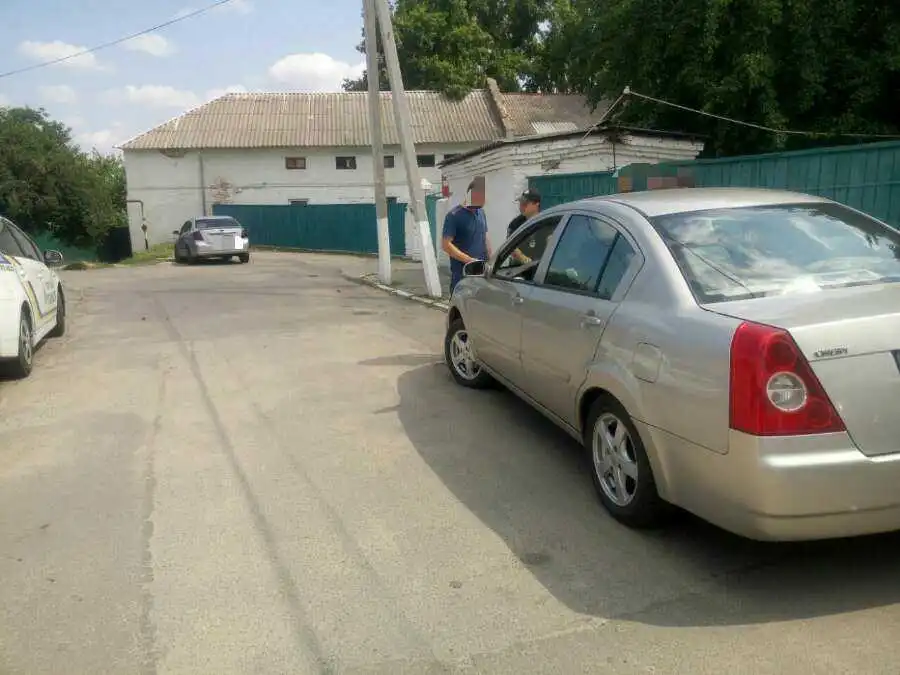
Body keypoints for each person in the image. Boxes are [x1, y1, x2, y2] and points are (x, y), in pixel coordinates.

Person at [442, 179, 491, 294]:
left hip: (481, 274)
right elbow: (446, 245)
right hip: (462, 276)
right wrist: (470, 261)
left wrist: (490, 258)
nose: (485, 200)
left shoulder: (481, 213)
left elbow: (484, 236)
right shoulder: (453, 216)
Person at [506, 188, 541, 264]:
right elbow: (510, 246)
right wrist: (524, 259)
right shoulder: (515, 223)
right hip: (518, 267)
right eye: (520, 203)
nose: (521, 207)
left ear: (536, 204)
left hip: (541, 266)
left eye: (525, 204)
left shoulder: (545, 221)